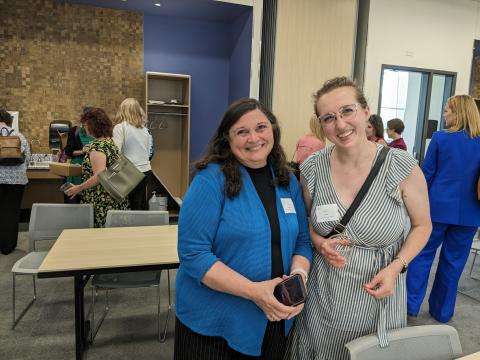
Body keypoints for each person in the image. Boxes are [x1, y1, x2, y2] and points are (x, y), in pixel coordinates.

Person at [285, 77, 432, 360]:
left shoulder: (401, 166)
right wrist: (318, 241)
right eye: (329, 117)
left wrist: (396, 268)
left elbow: (423, 226)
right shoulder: (313, 167)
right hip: (323, 297)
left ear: (366, 111)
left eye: (347, 111)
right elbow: (305, 221)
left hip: (378, 292)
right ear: (321, 124)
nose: (340, 125)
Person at [174, 98, 312, 359]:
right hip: (214, 326)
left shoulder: (286, 181)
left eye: (261, 127)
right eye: (241, 131)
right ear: (227, 139)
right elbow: (194, 254)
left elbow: (303, 241)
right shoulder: (210, 180)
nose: (254, 138)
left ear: (272, 130)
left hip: (275, 315)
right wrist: (254, 292)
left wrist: (298, 280)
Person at [407, 95, 480, 323]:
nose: (444, 114)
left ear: (458, 113)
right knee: (454, 263)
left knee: (421, 256)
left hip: (436, 209)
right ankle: (442, 312)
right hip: (471, 213)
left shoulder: (440, 138)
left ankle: (410, 305)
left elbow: (425, 176)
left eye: (447, 110)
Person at [64, 108, 129, 227]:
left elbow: (99, 175)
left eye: (85, 124)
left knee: (100, 236)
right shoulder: (109, 142)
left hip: (101, 199)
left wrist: (79, 188)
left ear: (92, 126)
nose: (83, 128)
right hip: (114, 195)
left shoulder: (96, 147)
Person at [0, 108, 31, 255]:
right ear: (9, 121)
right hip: (16, 181)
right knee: (11, 212)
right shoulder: (19, 136)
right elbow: (28, 158)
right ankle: (7, 246)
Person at [113, 98, 152, 210]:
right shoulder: (145, 129)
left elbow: (116, 152)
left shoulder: (120, 127)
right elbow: (149, 152)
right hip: (146, 170)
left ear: (123, 110)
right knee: (140, 203)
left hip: (130, 172)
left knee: (131, 207)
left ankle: (134, 227)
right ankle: (144, 227)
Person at [63, 106, 94, 203]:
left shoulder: (97, 133)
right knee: (74, 199)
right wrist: (82, 151)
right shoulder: (74, 131)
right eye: (85, 122)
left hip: (92, 169)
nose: (86, 125)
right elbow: (68, 151)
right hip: (76, 169)